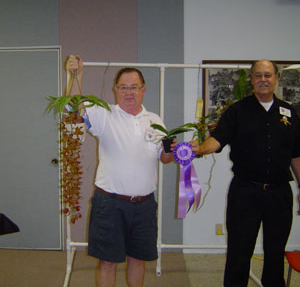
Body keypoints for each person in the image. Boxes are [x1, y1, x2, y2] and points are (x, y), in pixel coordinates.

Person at [66, 55, 175, 287]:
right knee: (108, 262)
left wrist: (175, 151)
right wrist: (76, 75)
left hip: (145, 205)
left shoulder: (154, 120)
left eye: (134, 87)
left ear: (143, 90)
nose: (129, 92)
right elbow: (73, 106)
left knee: (138, 259)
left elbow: (164, 158)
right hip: (110, 204)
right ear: (115, 90)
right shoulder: (104, 114)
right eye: (123, 87)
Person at [191, 59, 300, 287]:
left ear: (276, 79)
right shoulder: (237, 111)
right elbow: (217, 139)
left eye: (268, 75)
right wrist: (200, 149)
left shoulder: (290, 113)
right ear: (251, 80)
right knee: (239, 253)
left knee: (275, 252)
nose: (263, 80)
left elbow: (297, 155)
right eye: (258, 75)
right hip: (245, 193)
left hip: (279, 194)